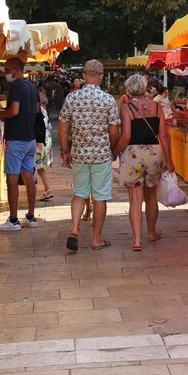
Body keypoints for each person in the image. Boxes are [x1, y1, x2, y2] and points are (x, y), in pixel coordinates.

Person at [59, 60, 120, 251]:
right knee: (100, 196)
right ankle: (96, 239)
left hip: (79, 153)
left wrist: (65, 150)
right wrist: (111, 148)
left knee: (79, 193)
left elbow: (62, 128)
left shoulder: (72, 98)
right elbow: (115, 130)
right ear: (101, 77)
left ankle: (75, 229)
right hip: (101, 154)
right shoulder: (108, 100)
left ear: (84, 76)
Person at [113, 75, 175, 251]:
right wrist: (169, 160)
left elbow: (125, 136)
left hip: (133, 154)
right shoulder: (156, 106)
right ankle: (152, 232)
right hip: (153, 153)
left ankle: (137, 240)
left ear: (128, 90)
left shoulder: (127, 108)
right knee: (151, 196)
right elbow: (163, 135)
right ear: (145, 88)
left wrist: (114, 152)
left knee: (135, 199)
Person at [0, 57, 42, 231]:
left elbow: (14, 111)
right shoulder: (32, 87)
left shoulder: (15, 87)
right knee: (29, 176)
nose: (6, 73)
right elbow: (37, 110)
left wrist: (0, 113)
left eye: (7, 69)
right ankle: (31, 216)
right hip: (30, 138)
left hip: (16, 139)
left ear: (15, 69)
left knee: (12, 178)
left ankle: (13, 220)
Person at [35, 83, 54, 201]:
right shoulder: (43, 109)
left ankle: (34, 191)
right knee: (40, 167)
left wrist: (39, 142)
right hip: (46, 138)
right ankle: (47, 189)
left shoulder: (38, 110)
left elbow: (39, 127)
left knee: (33, 167)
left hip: (40, 140)